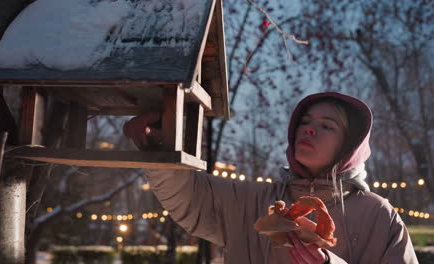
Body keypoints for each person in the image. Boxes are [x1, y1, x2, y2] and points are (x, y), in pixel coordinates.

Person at [123, 92, 418, 264]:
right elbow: (188, 195)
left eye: (326, 126)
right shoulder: (252, 201)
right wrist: (159, 150)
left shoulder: (378, 215)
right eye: (305, 121)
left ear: (349, 145)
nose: (309, 129)